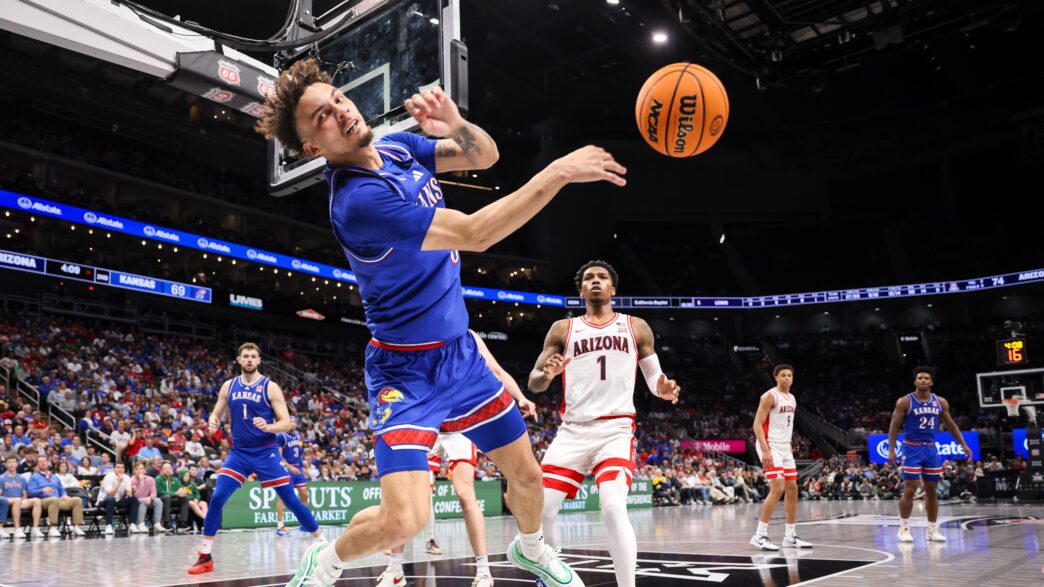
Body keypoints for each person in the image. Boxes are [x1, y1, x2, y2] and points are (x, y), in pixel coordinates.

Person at [257, 56, 625, 587]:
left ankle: (530, 549)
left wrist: (458, 125)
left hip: (461, 357)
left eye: (336, 99)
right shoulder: (358, 202)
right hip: (404, 373)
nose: (339, 111)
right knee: (406, 519)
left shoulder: (398, 148)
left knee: (526, 476)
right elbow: (475, 233)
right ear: (313, 149)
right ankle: (328, 561)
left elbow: (485, 155)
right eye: (321, 118)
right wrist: (560, 171)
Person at [529, 261, 680, 587]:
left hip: (615, 430)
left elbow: (654, 380)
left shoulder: (636, 326)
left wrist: (663, 389)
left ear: (613, 288)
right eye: (588, 278)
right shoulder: (562, 329)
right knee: (540, 511)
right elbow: (535, 383)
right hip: (572, 431)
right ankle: (552, 575)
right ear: (581, 290)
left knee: (612, 507)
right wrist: (547, 373)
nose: (595, 281)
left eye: (602, 277)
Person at [377, 331, 539, 587]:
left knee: (464, 494)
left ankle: (484, 570)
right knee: (410, 496)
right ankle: (395, 570)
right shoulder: (415, 331)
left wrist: (520, 397)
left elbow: (495, 370)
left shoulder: (468, 335)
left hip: (460, 426)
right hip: (426, 423)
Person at [188, 343, 322, 575]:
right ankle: (205, 556)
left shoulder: (270, 387)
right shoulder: (228, 386)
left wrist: (269, 426)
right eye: (245, 356)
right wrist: (212, 421)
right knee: (218, 496)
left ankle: (322, 545)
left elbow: (287, 423)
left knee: (290, 499)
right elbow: (216, 412)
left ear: (259, 360)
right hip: (239, 453)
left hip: (266, 451)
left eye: (253, 356)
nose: (249, 359)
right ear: (239, 360)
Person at [888, 366, 973, 543]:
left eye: (926, 378)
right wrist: (890, 450)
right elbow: (894, 426)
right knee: (910, 488)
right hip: (911, 448)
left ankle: (932, 530)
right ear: (915, 382)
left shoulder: (940, 402)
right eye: (920, 378)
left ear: (931, 382)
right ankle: (903, 528)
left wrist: (964, 445)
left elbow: (951, 425)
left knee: (932, 491)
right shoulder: (904, 401)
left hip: (931, 449)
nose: (923, 380)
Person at [749, 364, 811, 550]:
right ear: (776, 377)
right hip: (770, 445)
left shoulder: (791, 398)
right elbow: (757, 424)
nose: (786, 378)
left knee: (792, 487)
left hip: (785, 447)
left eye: (789, 375)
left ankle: (790, 536)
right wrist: (766, 450)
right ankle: (759, 535)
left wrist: (789, 446)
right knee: (778, 487)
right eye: (783, 375)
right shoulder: (770, 396)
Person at [28, 455, 85, 537]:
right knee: (54, 500)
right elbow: (30, 492)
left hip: (58, 500)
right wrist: (42, 490)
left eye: (44, 461)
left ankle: (76, 526)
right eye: (40, 462)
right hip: (42, 501)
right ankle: (53, 527)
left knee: (77, 500)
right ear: (37, 465)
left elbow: (61, 489)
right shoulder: (34, 477)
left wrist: (64, 495)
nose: (42, 463)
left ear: (48, 463)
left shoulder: (55, 477)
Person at [275, 417, 310, 537]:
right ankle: (280, 526)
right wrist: (290, 468)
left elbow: (298, 454)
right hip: (286, 469)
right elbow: (279, 457)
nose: (293, 424)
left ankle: (305, 523)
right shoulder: (281, 436)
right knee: (283, 498)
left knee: (304, 495)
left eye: (295, 422)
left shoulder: (297, 435)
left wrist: (302, 466)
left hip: (297, 468)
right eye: (291, 422)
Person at [0, 454, 43, 539]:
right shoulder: (1, 478)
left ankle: (35, 528)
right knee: (17, 500)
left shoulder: (21, 478)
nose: (11, 464)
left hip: (19, 500)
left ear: (17, 464)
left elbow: (24, 494)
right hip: (6, 500)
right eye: (9, 462)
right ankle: (17, 529)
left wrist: (23, 499)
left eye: (13, 462)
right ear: (6, 464)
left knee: (37, 500)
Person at [98, 461, 134, 535]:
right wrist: (118, 482)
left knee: (133, 499)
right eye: (118, 467)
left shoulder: (126, 477)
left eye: (122, 467)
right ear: (114, 468)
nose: (120, 469)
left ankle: (132, 524)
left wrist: (132, 491)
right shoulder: (108, 477)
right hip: (104, 501)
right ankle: (109, 525)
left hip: (117, 501)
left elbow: (128, 494)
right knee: (111, 499)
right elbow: (110, 494)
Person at [130, 461, 164, 533]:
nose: (139, 471)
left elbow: (154, 492)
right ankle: (140, 523)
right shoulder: (132, 480)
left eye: (141, 469)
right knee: (142, 501)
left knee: (158, 501)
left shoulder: (150, 479)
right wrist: (141, 482)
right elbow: (135, 496)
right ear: (134, 471)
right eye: (137, 469)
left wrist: (150, 498)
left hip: (148, 499)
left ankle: (157, 523)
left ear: (144, 470)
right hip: (137, 501)